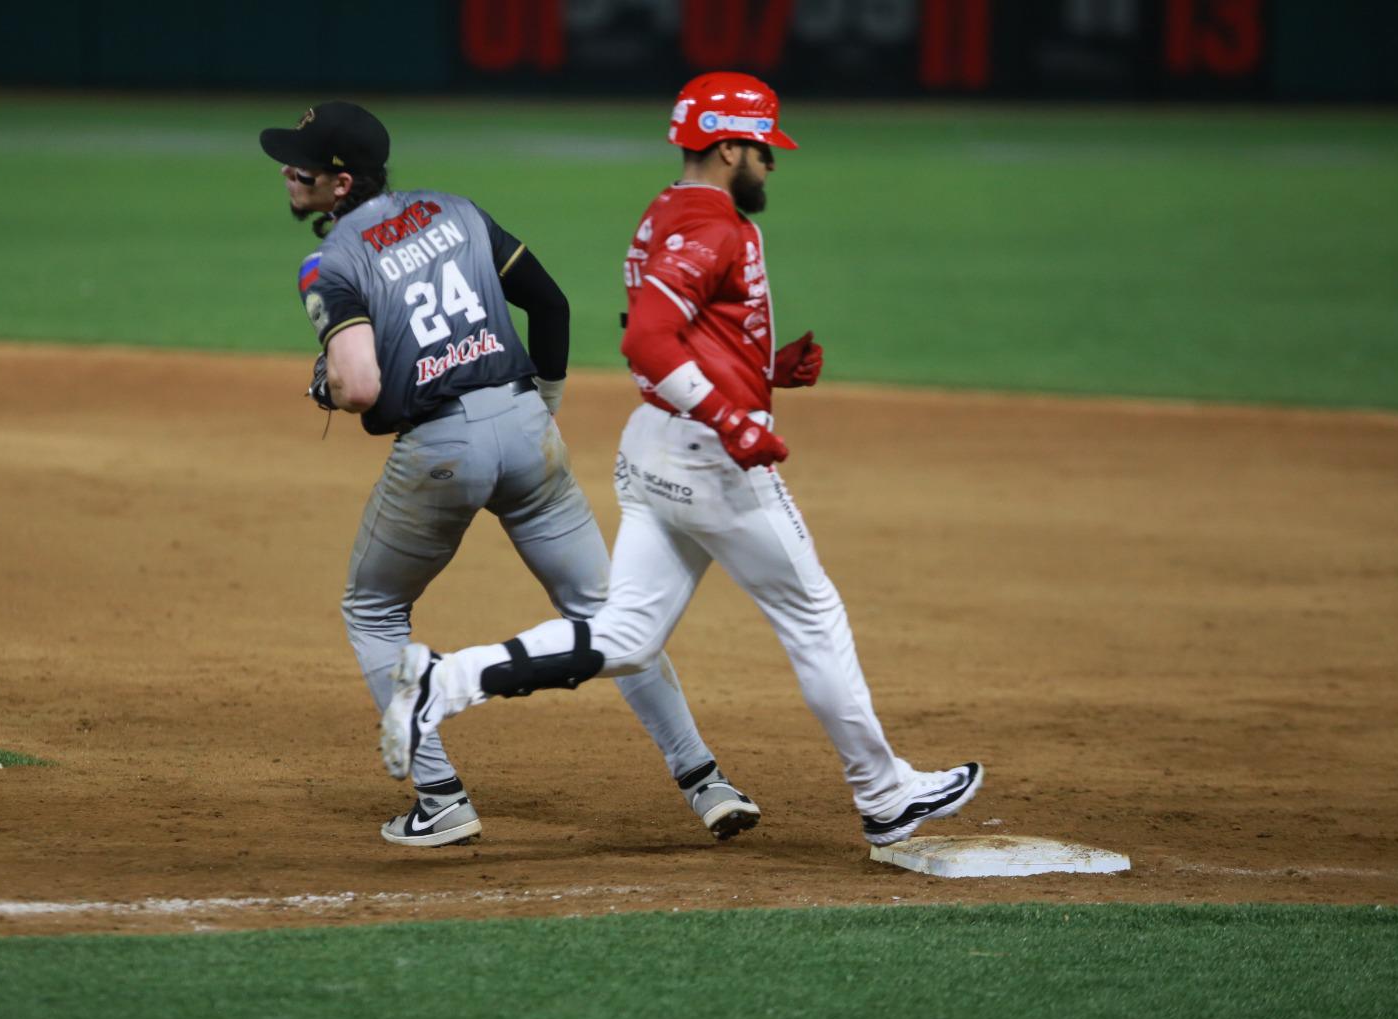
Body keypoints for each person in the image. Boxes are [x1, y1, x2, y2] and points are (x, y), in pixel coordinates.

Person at [380, 75, 983, 858]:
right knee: (813, 616)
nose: (771, 162)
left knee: (627, 634)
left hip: (658, 446)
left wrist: (764, 368)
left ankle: (445, 682)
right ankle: (885, 795)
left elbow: (683, 331)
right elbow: (647, 340)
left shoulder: (670, 209)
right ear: (729, 145)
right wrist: (733, 412)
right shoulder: (714, 226)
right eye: (763, 147)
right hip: (710, 459)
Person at [260, 101, 760, 847]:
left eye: (301, 162)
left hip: (441, 452)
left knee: (373, 612)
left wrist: (325, 383)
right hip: (530, 432)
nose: (285, 170)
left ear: (340, 185)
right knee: (610, 614)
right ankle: (706, 781)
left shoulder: (330, 263)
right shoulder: (456, 212)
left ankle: (440, 798)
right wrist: (544, 409)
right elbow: (550, 306)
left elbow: (361, 389)